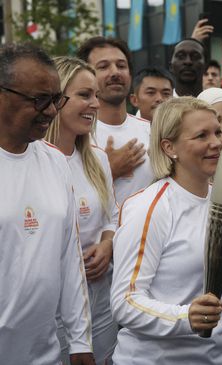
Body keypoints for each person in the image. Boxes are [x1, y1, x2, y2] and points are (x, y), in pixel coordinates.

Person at [110, 97, 222, 364]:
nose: (216, 142)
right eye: (201, 136)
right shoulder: (150, 207)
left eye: (218, 132)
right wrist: (184, 316)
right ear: (169, 147)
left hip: (220, 358)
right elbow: (125, 301)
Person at [0, 43, 94, 365]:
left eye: (56, 99)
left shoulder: (55, 162)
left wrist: (81, 341)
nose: (52, 111)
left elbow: (69, 258)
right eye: (39, 100)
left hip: (46, 353)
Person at [44, 56, 119, 364]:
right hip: (52, 314)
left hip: (101, 304)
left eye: (96, 96)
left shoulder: (97, 159)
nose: (96, 105)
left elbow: (111, 217)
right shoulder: (34, 161)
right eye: (85, 95)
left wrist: (106, 244)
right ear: (57, 99)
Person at [77, 37, 153, 207]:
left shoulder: (152, 131)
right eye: (103, 67)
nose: (115, 73)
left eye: (121, 66)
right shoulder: (76, 134)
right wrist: (109, 171)